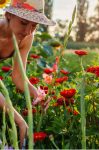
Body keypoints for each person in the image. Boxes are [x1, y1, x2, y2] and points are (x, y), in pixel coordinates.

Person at [0, 0, 55, 148]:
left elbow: (18, 77)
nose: (28, 31)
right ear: (9, 14)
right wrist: (18, 120)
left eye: (34, 25)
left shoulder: (27, 37)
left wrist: (37, 94)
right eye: (24, 23)